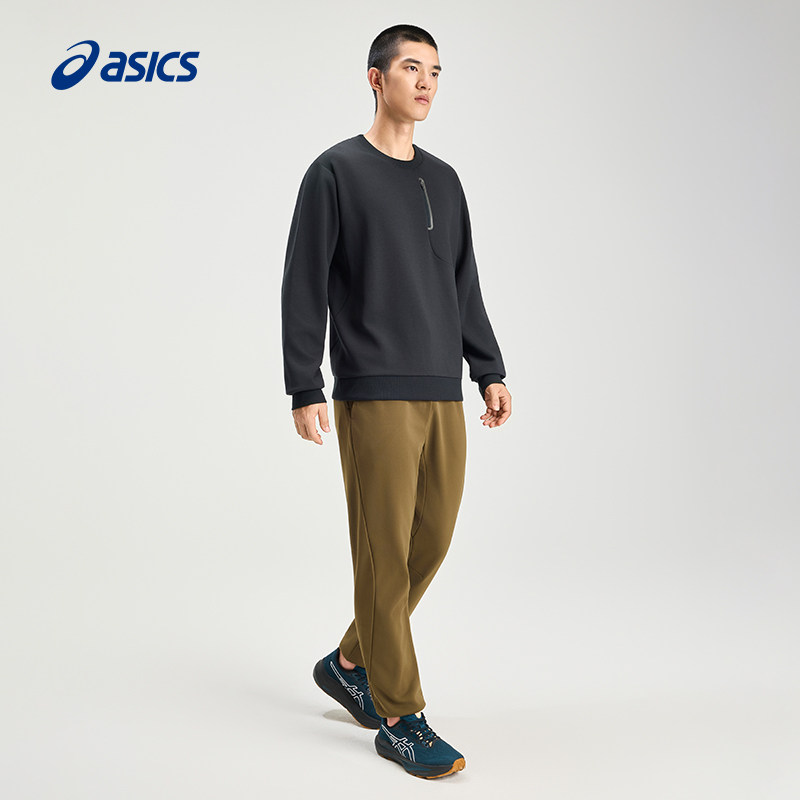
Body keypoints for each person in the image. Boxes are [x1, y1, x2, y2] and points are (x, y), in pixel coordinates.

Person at [281, 24, 512, 779]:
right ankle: (399, 716)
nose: (426, 83)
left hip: (441, 389)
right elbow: (303, 280)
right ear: (376, 78)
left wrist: (488, 367)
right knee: (383, 551)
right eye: (412, 68)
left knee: (429, 541)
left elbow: (463, 281)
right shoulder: (335, 172)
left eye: (435, 72)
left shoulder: (444, 180)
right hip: (373, 391)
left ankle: (350, 661)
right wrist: (304, 383)